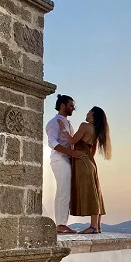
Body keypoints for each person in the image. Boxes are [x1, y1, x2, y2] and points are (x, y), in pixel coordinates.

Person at [58, 106, 111, 234]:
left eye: (88, 111)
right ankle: (97, 226)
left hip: (83, 162)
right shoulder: (96, 130)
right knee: (96, 193)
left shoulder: (85, 126)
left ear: (92, 113)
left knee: (91, 194)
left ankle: (92, 227)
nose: (86, 113)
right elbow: (91, 150)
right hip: (90, 162)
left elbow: (72, 140)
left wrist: (63, 129)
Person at [45, 94, 86, 234]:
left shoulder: (67, 123)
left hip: (66, 159)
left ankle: (61, 224)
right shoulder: (53, 122)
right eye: (71, 105)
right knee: (64, 191)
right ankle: (61, 225)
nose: (73, 108)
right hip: (59, 159)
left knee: (63, 191)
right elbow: (52, 143)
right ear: (62, 105)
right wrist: (71, 153)